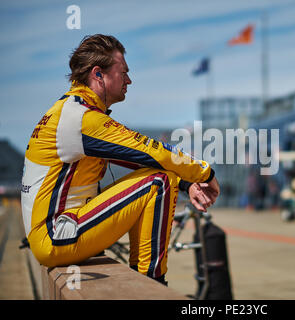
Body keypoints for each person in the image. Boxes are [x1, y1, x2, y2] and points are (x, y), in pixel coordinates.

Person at [20, 34, 220, 285]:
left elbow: (139, 160)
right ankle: (152, 286)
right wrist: (204, 173)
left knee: (159, 176)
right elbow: (153, 151)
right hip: (56, 236)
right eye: (123, 72)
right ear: (98, 74)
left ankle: (145, 278)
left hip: (54, 231)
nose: (129, 80)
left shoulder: (69, 110)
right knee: (158, 183)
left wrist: (187, 185)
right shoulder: (80, 117)